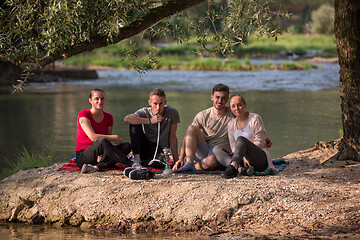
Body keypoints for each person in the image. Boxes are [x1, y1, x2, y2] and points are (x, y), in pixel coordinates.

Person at [173, 83, 234, 172]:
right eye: (217, 97)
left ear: (227, 99)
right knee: (191, 128)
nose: (220, 101)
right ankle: (188, 163)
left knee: (211, 161)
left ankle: (193, 167)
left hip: (220, 153)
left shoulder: (233, 114)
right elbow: (188, 136)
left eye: (223, 98)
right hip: (205, 149)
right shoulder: (203, 115)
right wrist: (180, 159)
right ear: (212, 97)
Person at [213, 94, 275, 178]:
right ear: (230, 108)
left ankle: (233, 168)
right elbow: (233, 146)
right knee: (217, 149)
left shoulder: (255, 118)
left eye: (239, 105)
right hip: (241, 160)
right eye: (233, 106)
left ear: (245, 105)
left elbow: (260, 142)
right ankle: (239, 169)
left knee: (241, 139)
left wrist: (245, 154)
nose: (236, 108)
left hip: (259, 158)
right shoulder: (231, 124)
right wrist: (242, 157)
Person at [75, 88, 135, 173]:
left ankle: (96, 167)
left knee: (126, 146)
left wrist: (104, 155)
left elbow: (107, 143)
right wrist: (115, 137)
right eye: (96, 99)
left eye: (102, 99)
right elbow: (93, 137)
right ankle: (131, 164)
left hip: (100, 156)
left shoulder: (108, 117)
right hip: (84, 156)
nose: (100, 101)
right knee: (102, 140)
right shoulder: (83, 114)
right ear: (90, 100)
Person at [124, 88, 180, 168]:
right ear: (149, 103)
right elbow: (127, 119)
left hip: (161, 150)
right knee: (134, 122)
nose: (158, 108)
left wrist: (176, 160)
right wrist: (150, 121)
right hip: (145, 147)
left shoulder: (172, 112)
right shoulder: (145, 112)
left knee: (158, 165)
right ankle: (137, 159)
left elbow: (173, 137)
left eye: (161, 104)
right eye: (155, 104)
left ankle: (145, 162)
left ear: (165, 103)